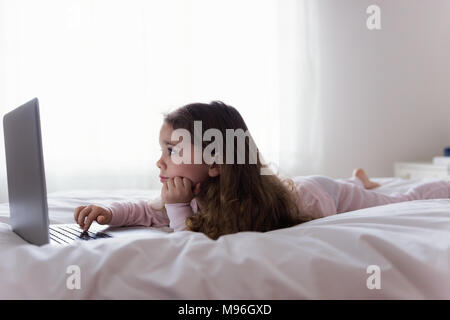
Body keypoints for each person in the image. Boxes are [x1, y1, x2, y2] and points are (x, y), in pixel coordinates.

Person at [73, 101, 450, 240]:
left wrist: (176, 209)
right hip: (304, 188)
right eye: (162, 150)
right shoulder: (195, 189)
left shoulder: (243, 206)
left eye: (172, 151)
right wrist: (111, 213)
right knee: (365, 187)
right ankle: (361, 179)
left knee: (400, 198)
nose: (161, 162)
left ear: (217, 162)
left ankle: (362, 184)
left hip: (323, 195)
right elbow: (147, 210)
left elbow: (187, 245)